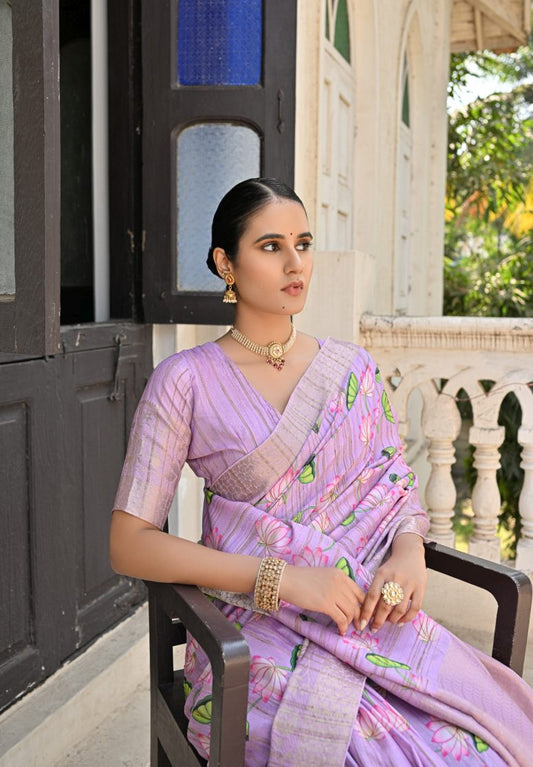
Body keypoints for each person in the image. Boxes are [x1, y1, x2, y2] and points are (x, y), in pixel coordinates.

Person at [110, 178, 532, 766]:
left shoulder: (351, 368)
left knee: (476, 742)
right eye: (271, 246)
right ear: (225, 263)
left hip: (367, 618)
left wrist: (408, 552)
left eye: (303, 244)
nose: (295, 263)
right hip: (251, 638)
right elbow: (129, 544)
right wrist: (281, 580)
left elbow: (395, 491)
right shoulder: (184, 381)